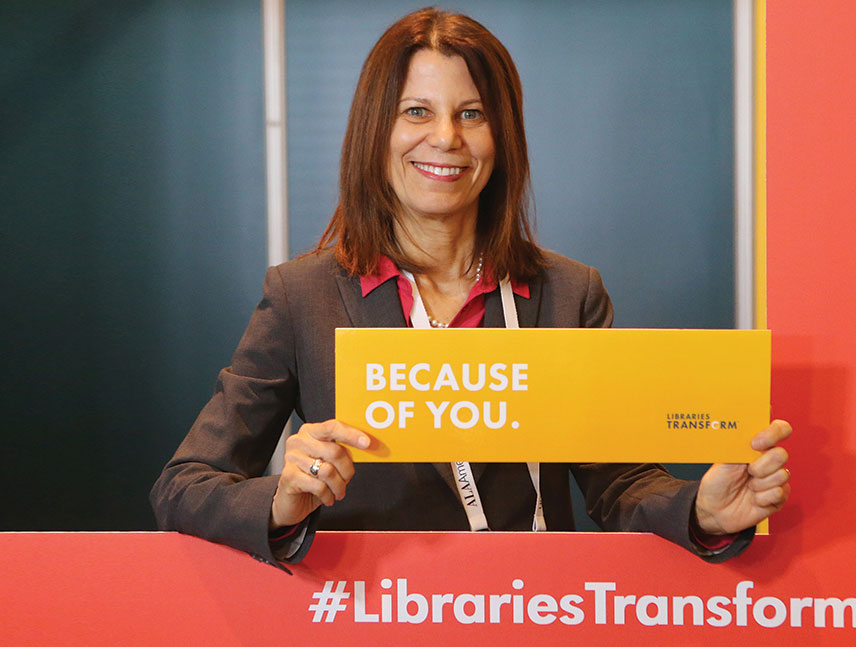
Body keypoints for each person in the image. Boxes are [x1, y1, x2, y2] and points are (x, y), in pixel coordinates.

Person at [150, 8, 791, 571]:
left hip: (527, 614)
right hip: (367, 619)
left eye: (471, 114)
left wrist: (701, 512)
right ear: (377, 131)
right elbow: (182, 486)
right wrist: (283, 502)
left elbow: (618, 483)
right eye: (417, 112)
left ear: (500, 137)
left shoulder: (568, 294)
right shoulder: (302, 296)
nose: (446, 138)